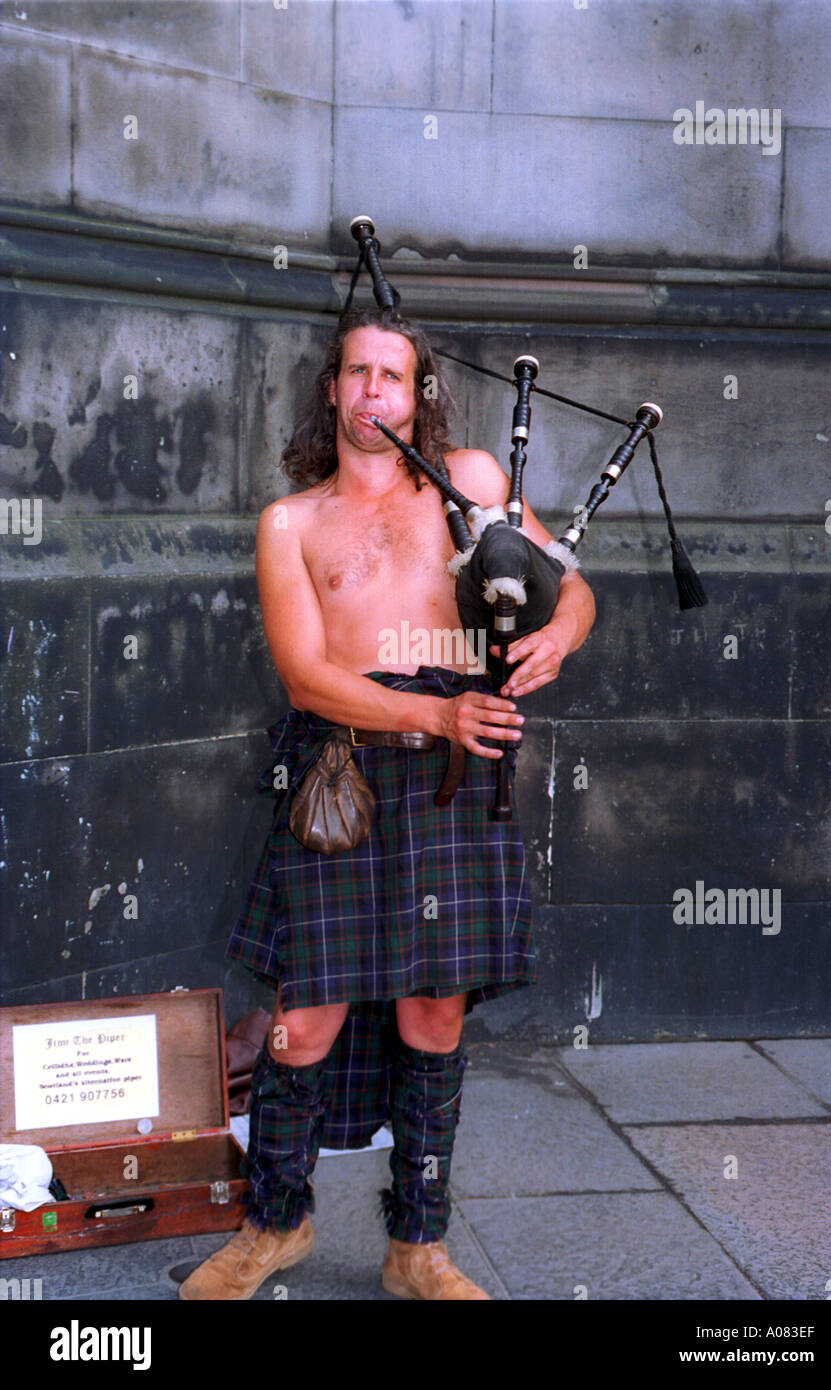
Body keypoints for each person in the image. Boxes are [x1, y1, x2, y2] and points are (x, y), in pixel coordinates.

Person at [179, 306, 595, 1301]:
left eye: (393, 376)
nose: (374, 390)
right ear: (332, 390)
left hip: (456, 782)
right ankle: (276, 1223)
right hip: (344, 779)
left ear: (419, 395)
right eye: (358, 372)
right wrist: (436, 714)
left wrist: (557, 635)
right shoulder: (291, 523)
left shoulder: (473, 485)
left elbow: (574, 588)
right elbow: (305, 677)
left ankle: (418, 1246)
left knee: (435, 1011)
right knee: (304, 1019)